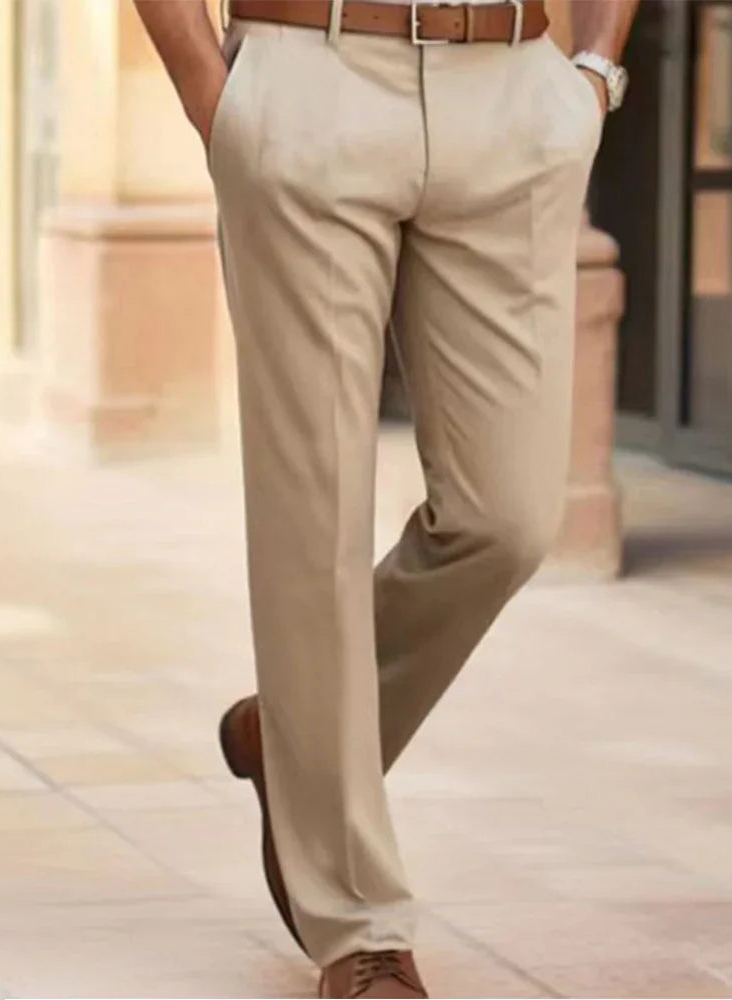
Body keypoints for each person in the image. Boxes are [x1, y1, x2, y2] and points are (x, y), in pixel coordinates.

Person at [135, 1, 638, 996]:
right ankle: (359, 926)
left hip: (512, 87)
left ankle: (288, 738)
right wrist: (208, 92)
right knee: (314, 517)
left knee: (507, 517)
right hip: (310, 74)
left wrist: (593, 73)